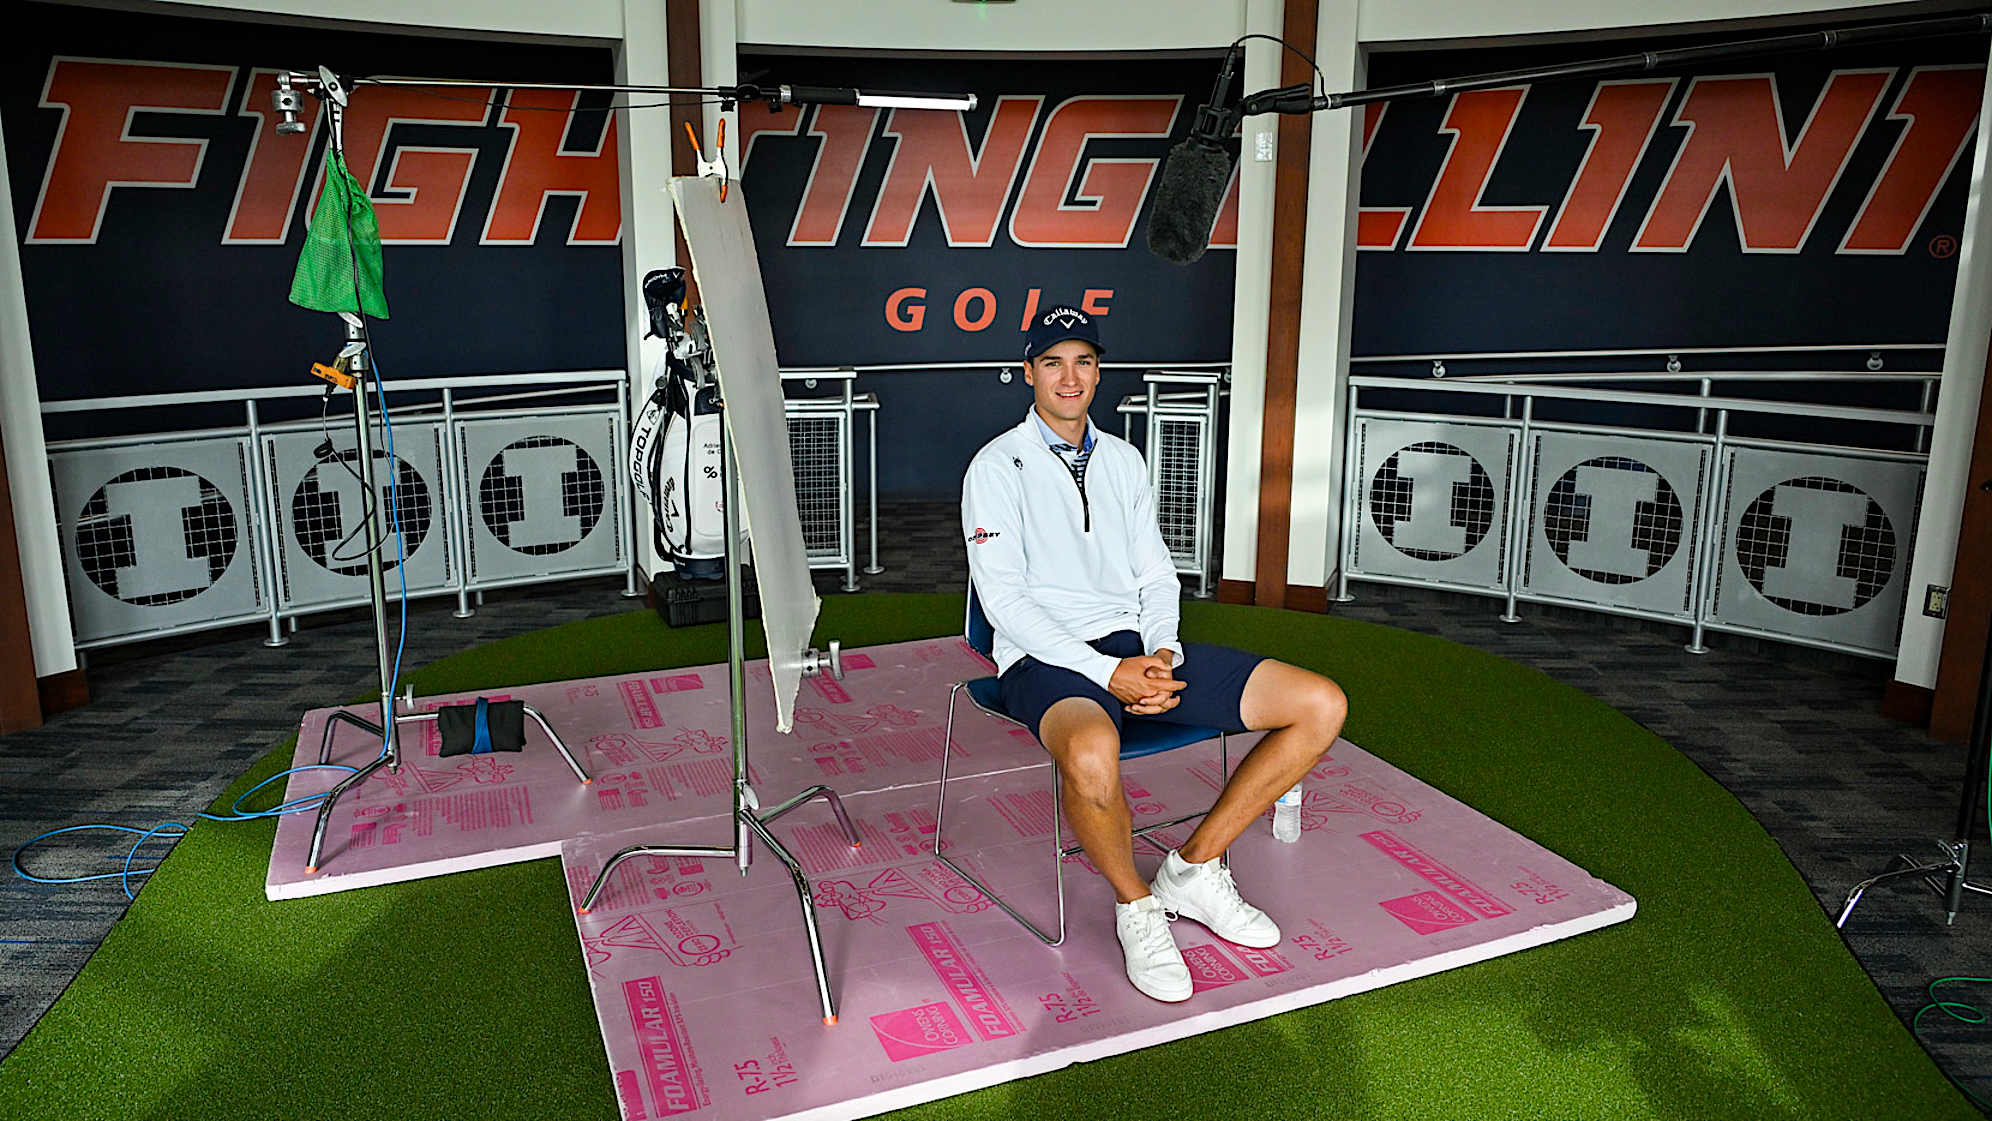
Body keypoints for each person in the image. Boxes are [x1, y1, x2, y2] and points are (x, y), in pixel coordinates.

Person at [960, 302, 1349, 1003]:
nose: (1069, 376)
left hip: (1136, 648)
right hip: (1045, 660)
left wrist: (1161, 654)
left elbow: (1155, 575)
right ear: (1029, 373)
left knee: (1319, 704)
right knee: (1088, 753)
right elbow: (1005, 604)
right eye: (1052, 362)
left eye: (1082, 360)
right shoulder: (996, 466)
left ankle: (1194, 870)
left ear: (1099, 371)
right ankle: (1137, 906)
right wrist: (1109, 672)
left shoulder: (1123, 459)